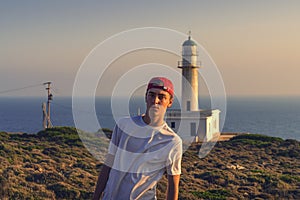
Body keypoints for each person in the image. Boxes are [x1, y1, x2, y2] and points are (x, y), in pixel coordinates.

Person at [93, 77, 182, 200]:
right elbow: (108, 165)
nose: (155, 101)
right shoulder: (123, 125)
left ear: (170, 102)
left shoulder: (172, 141)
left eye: (162, 97)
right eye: (152, 95)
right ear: (146, 97)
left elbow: (173, 184)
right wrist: (96, 197)